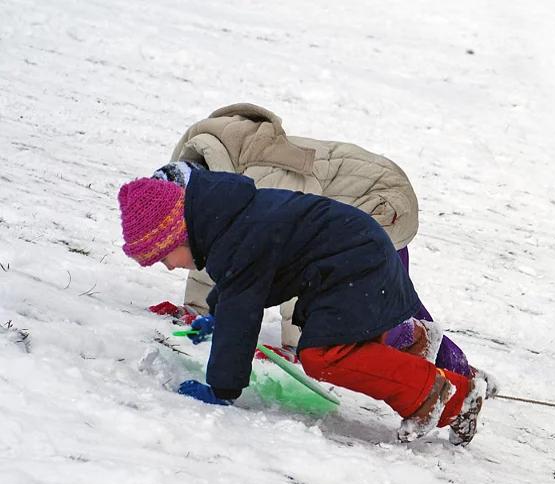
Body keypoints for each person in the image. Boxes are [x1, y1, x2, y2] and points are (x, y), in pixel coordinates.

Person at [117, 164, 486, 444]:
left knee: (325, 355)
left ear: (176, 231)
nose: (168, 265)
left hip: (354, 265)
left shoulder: (232, 237)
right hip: (356, 257)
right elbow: (244, 285)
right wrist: (217, 315)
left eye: (163, 255)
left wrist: (221, 389)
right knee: (348, 346)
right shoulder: (229, 220)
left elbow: (242, 308)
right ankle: (412, 344)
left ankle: (445, 396)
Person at [149, 103, 475, 380]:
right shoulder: (218, 183)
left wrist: (295, 343)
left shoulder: (261, 180)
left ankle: (450, 373)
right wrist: (198, 308)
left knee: (364, 298)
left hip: (380, 197)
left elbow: (302, 260)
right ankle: (457, 370)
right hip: (349, 207)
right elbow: (213, 250)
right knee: (391, 297)